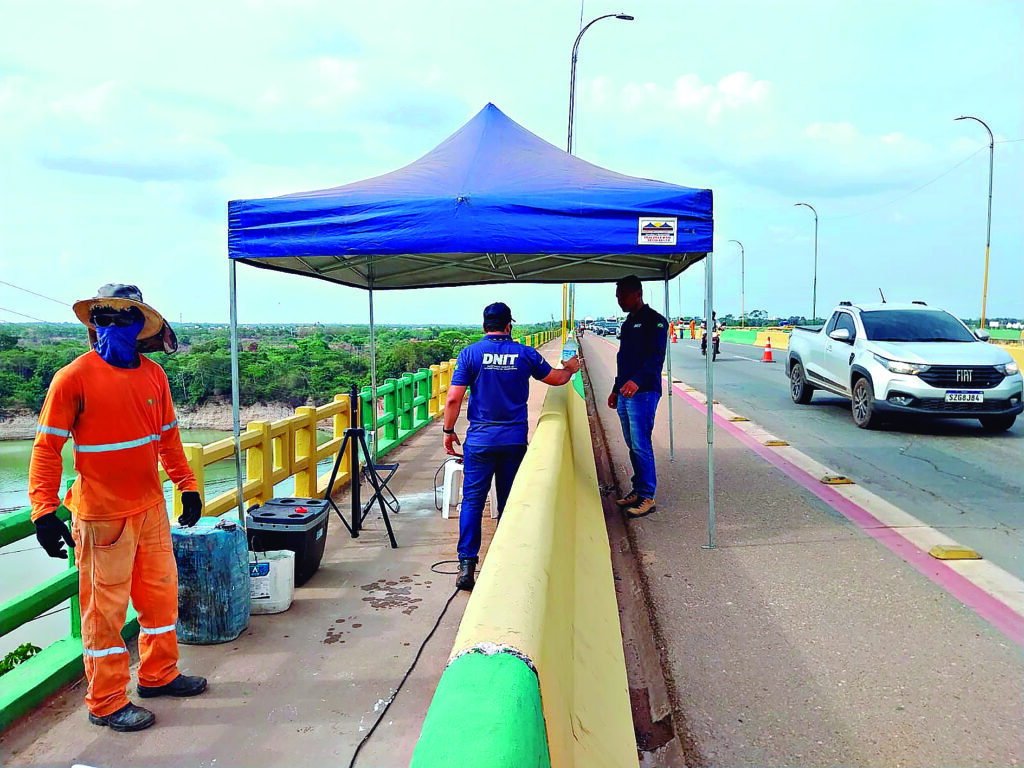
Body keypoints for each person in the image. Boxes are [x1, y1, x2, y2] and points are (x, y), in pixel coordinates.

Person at [29, 284, 207, 733]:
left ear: (138, 326)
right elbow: (46, 448)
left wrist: (187, 486)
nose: (109, 327)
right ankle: (106, 701)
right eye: (102, 318)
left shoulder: (154, 377)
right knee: (104, 614)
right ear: (93, 325)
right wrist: (44, 511)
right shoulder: (72, 378)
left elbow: (167, 437)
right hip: (101, 515)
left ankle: (159, 675)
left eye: (120, 318)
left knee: (161, 598)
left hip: (149, 509)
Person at [442, 302, 580, 591]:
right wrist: (571, 368)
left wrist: (448, 431)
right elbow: (556, 379)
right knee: (509, 502)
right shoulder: (525, 353)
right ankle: (506, 564)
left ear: (484, 327)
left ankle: (467, 565)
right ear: (509, 326)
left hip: (479, 441)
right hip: (513, 441)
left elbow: (454, 399)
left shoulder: (470, 354)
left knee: (472, 502)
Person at [608, 275, 667, 519]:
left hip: (643, 392)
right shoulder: (627, 324)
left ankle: (647, 497)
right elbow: (624, 360)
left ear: (637, 294)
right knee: (632, 444)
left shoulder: (656, 322)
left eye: (623, 295)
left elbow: (656, 358)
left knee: (642, 444)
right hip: (624, 392)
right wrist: (615, 387)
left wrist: (636, 381)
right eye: (618, 296)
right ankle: (638, 488)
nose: (620, 300)